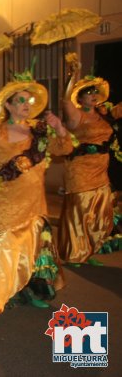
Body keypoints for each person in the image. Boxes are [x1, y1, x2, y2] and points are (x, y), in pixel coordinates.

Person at [0, 75, 74, 322]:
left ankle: (28, 291)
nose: (26, 104)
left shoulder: (38, 130)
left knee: (31, 250)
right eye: (20, 100)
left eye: (28, 100)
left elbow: (65, 149)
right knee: (1, 251)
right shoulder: (0, 132)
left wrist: (60, 126)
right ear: (8, 106)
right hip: (7, 205)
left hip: (35, 204)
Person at [57, 54, 121, 267]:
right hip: (80, 171)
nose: (93, 96)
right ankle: (74, 253)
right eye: (89, 93)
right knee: (80, 212)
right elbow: (65, 100)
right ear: (81, 98)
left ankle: (89, 249)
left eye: (95, 93)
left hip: (100, 171)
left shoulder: (103, 113)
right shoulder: (77, 116)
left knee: (101, 212)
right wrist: (72, 75)